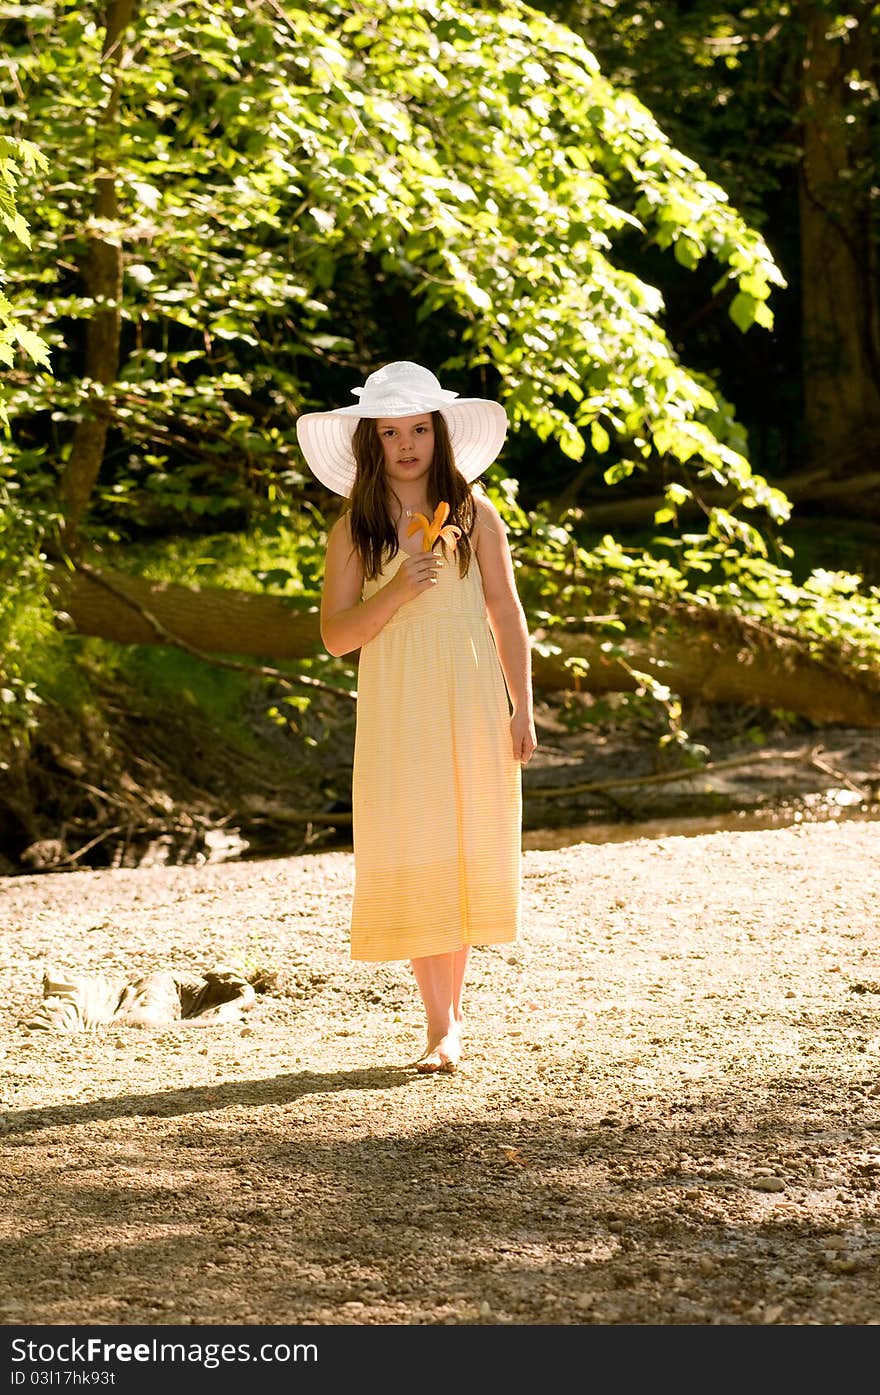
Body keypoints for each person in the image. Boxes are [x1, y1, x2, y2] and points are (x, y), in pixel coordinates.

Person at [296, 361, 537, 1074]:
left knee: (461, 844)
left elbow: (505, 611)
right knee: (416, 844)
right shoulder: (355, 529)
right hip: (401, 711)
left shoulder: (475, 513)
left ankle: (450, 1019)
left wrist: (522, 705)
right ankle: (440, 1023)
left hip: (468, 701)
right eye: (392, 431)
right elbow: (337, 636)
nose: (407, 444)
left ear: (440, 433)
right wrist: (399, 586)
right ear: (372, 441)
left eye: (419, 428)